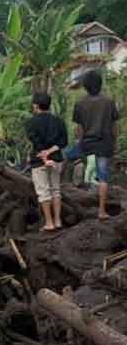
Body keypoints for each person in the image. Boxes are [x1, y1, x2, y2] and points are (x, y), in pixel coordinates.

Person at [64, 71, 119, 221]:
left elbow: (79, 129)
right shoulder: (109, 102)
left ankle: (63, 194)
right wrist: (114, 143)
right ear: (100, 85)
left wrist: (79, 142)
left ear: (86, 86)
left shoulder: (80, 103)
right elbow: (114, 127)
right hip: (104, 144)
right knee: (103, 178)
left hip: (86, 143)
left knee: (64, 158)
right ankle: (101, 211)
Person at [26, 93, 67, 231]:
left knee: (43, 192)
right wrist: (50, 153)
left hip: (39, 161)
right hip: (56, 159)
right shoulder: (59, 121)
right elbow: (64, 142)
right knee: (56, 190)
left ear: (36, 105)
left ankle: (49, 223)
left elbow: (36, 143)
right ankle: (58, 221)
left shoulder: (31, 122)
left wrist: (44, 157)